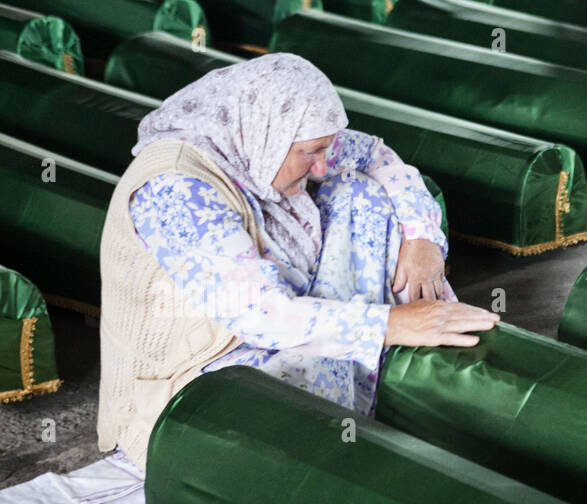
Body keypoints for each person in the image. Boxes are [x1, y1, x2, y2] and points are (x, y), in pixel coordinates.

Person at [97, 53, 497, 470]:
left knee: (359, 193)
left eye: (324, 148)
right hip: (203, 363)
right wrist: (392, 324)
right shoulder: (177, 191)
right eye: (311, 152)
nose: (322, 165)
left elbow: (376, 156)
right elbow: (262, 315)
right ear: (265, 132)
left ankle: (376, 376)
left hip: (285, 309)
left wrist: (423, 237)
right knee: (292, 392)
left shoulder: (263, 140)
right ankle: (367, 402)